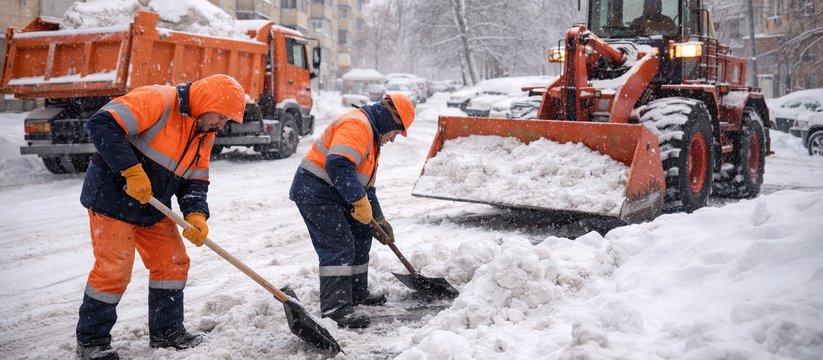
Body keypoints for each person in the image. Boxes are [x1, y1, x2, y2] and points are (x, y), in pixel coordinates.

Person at [75, 74, 246, 360]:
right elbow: (101, 124)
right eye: (221, 116)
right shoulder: (159, 100)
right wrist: (130, 169)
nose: (221, 125)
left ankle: (166, 331)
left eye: (226, 121)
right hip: (112, 199)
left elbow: (195, 179)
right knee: (114, 270)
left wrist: (196, 215)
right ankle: (92, 341)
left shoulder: (204, 132)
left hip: (153, 206)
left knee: (173, 263)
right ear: (207, 102)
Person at [289, 93, 415, 328]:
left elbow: (367, 186)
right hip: (316, 190)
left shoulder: (373, 138)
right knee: (339, 244)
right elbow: (338, 164)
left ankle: (357, 293)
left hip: (337, 192)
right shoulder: (359, 125)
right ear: (391, 120)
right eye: (397, 132)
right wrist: (358, 201)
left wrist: (378, 217)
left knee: (361, 234)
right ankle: (335, 308)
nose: (394, 139)